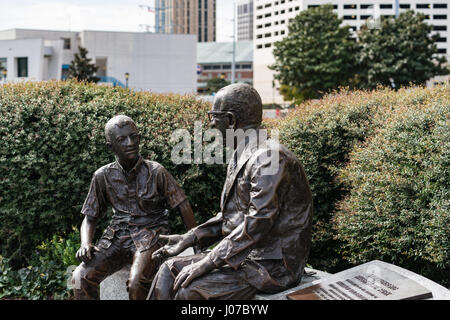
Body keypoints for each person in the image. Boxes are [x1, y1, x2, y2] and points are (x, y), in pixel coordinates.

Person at [148, 83, 313, 300]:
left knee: (190, 291)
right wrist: (192, 237)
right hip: (247, 255)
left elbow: (257, 222)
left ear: (231, 120)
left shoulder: (270, 157)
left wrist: (208, 261)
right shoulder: (243, 152)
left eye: (213, 117)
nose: (211, 125)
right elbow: (234, 217)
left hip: (272, 264)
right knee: (168, 270)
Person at [71, 115, 197, 300]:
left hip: (151, 235)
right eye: (121, 139)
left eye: (133, 137)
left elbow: (183, 206)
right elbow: (90, 217)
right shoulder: (102, 176)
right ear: (110, 146)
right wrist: (85, 243)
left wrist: (196, 242)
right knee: (79, 277)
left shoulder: (156, 171)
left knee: (136, 283)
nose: (130, 143)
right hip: (116, 238)